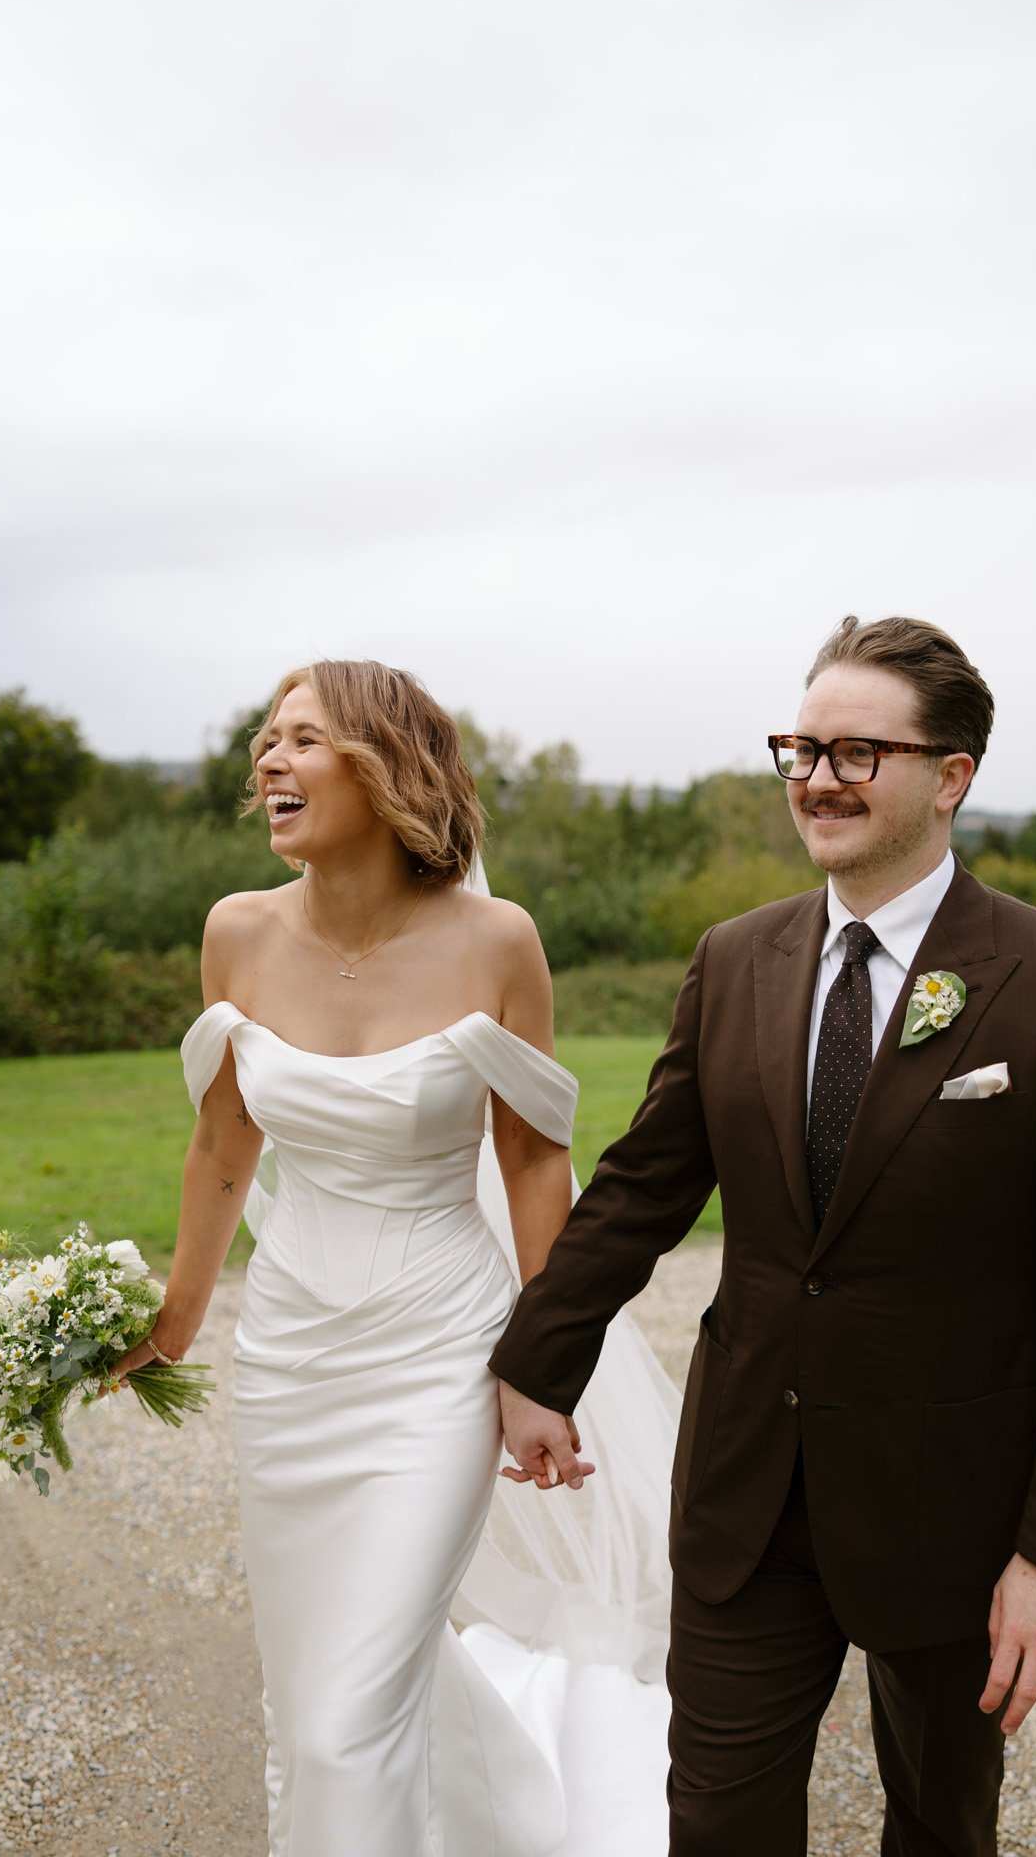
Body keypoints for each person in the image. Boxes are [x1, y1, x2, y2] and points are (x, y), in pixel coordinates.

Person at [494, 614, 1036, 1857]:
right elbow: (645, 1183)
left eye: (856, 751)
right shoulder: (733, 960)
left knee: (938, 1823)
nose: (815, 776)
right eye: (799, 746)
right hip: (749, 1491)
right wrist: (538, 1360)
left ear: (950, 776)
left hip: (952, 1515)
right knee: (717, 1820)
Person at [112, 659, 675, 1857]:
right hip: (291, 1365)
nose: (266, 759)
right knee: (319, 1681)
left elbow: (531, 1161)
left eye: (300, 739)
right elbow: (222, 1140)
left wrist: (542, 1367)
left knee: (343, 1711)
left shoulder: (495, 942)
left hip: (438, 1356)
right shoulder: (236, 933)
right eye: (264, 739)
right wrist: (175, 1316)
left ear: (383, 767)